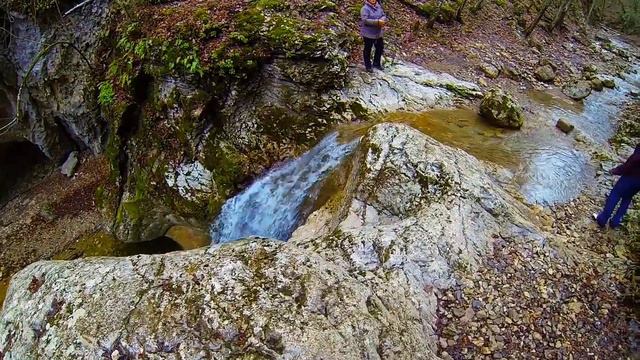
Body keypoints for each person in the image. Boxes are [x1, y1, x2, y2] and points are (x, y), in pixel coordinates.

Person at [594, 144, 640, 228]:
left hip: (631, 177)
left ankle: (602, 219)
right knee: (627, 198)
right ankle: (615, 222)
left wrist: (616, 170)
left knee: (615, 194)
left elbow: (633, 162)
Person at [360, 0, 387, 73]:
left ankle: (376, 63)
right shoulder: (365, 8)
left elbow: (383, 15)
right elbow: (365, 20)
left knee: (380, 47)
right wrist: (377, 22)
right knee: (368, 49)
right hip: (368, 33)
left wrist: (382, 20)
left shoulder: (378, 6)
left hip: (378, 33)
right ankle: (368, 66)